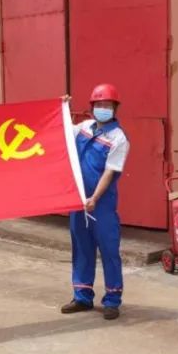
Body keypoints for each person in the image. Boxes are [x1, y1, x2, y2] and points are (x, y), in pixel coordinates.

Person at [61, 84, 131, 321]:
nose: (103, 108)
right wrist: (63, 106)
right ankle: (82, 296)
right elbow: (61, 130)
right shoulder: (83, 128)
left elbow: (110, 172)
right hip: (78, 201)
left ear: (115, 108)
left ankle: (112, 300)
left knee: (109, 250)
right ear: (92, 107)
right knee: (81, 247)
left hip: (101, 204)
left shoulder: (118, 138)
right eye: (99, 104)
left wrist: (95, 198)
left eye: (107, 105)